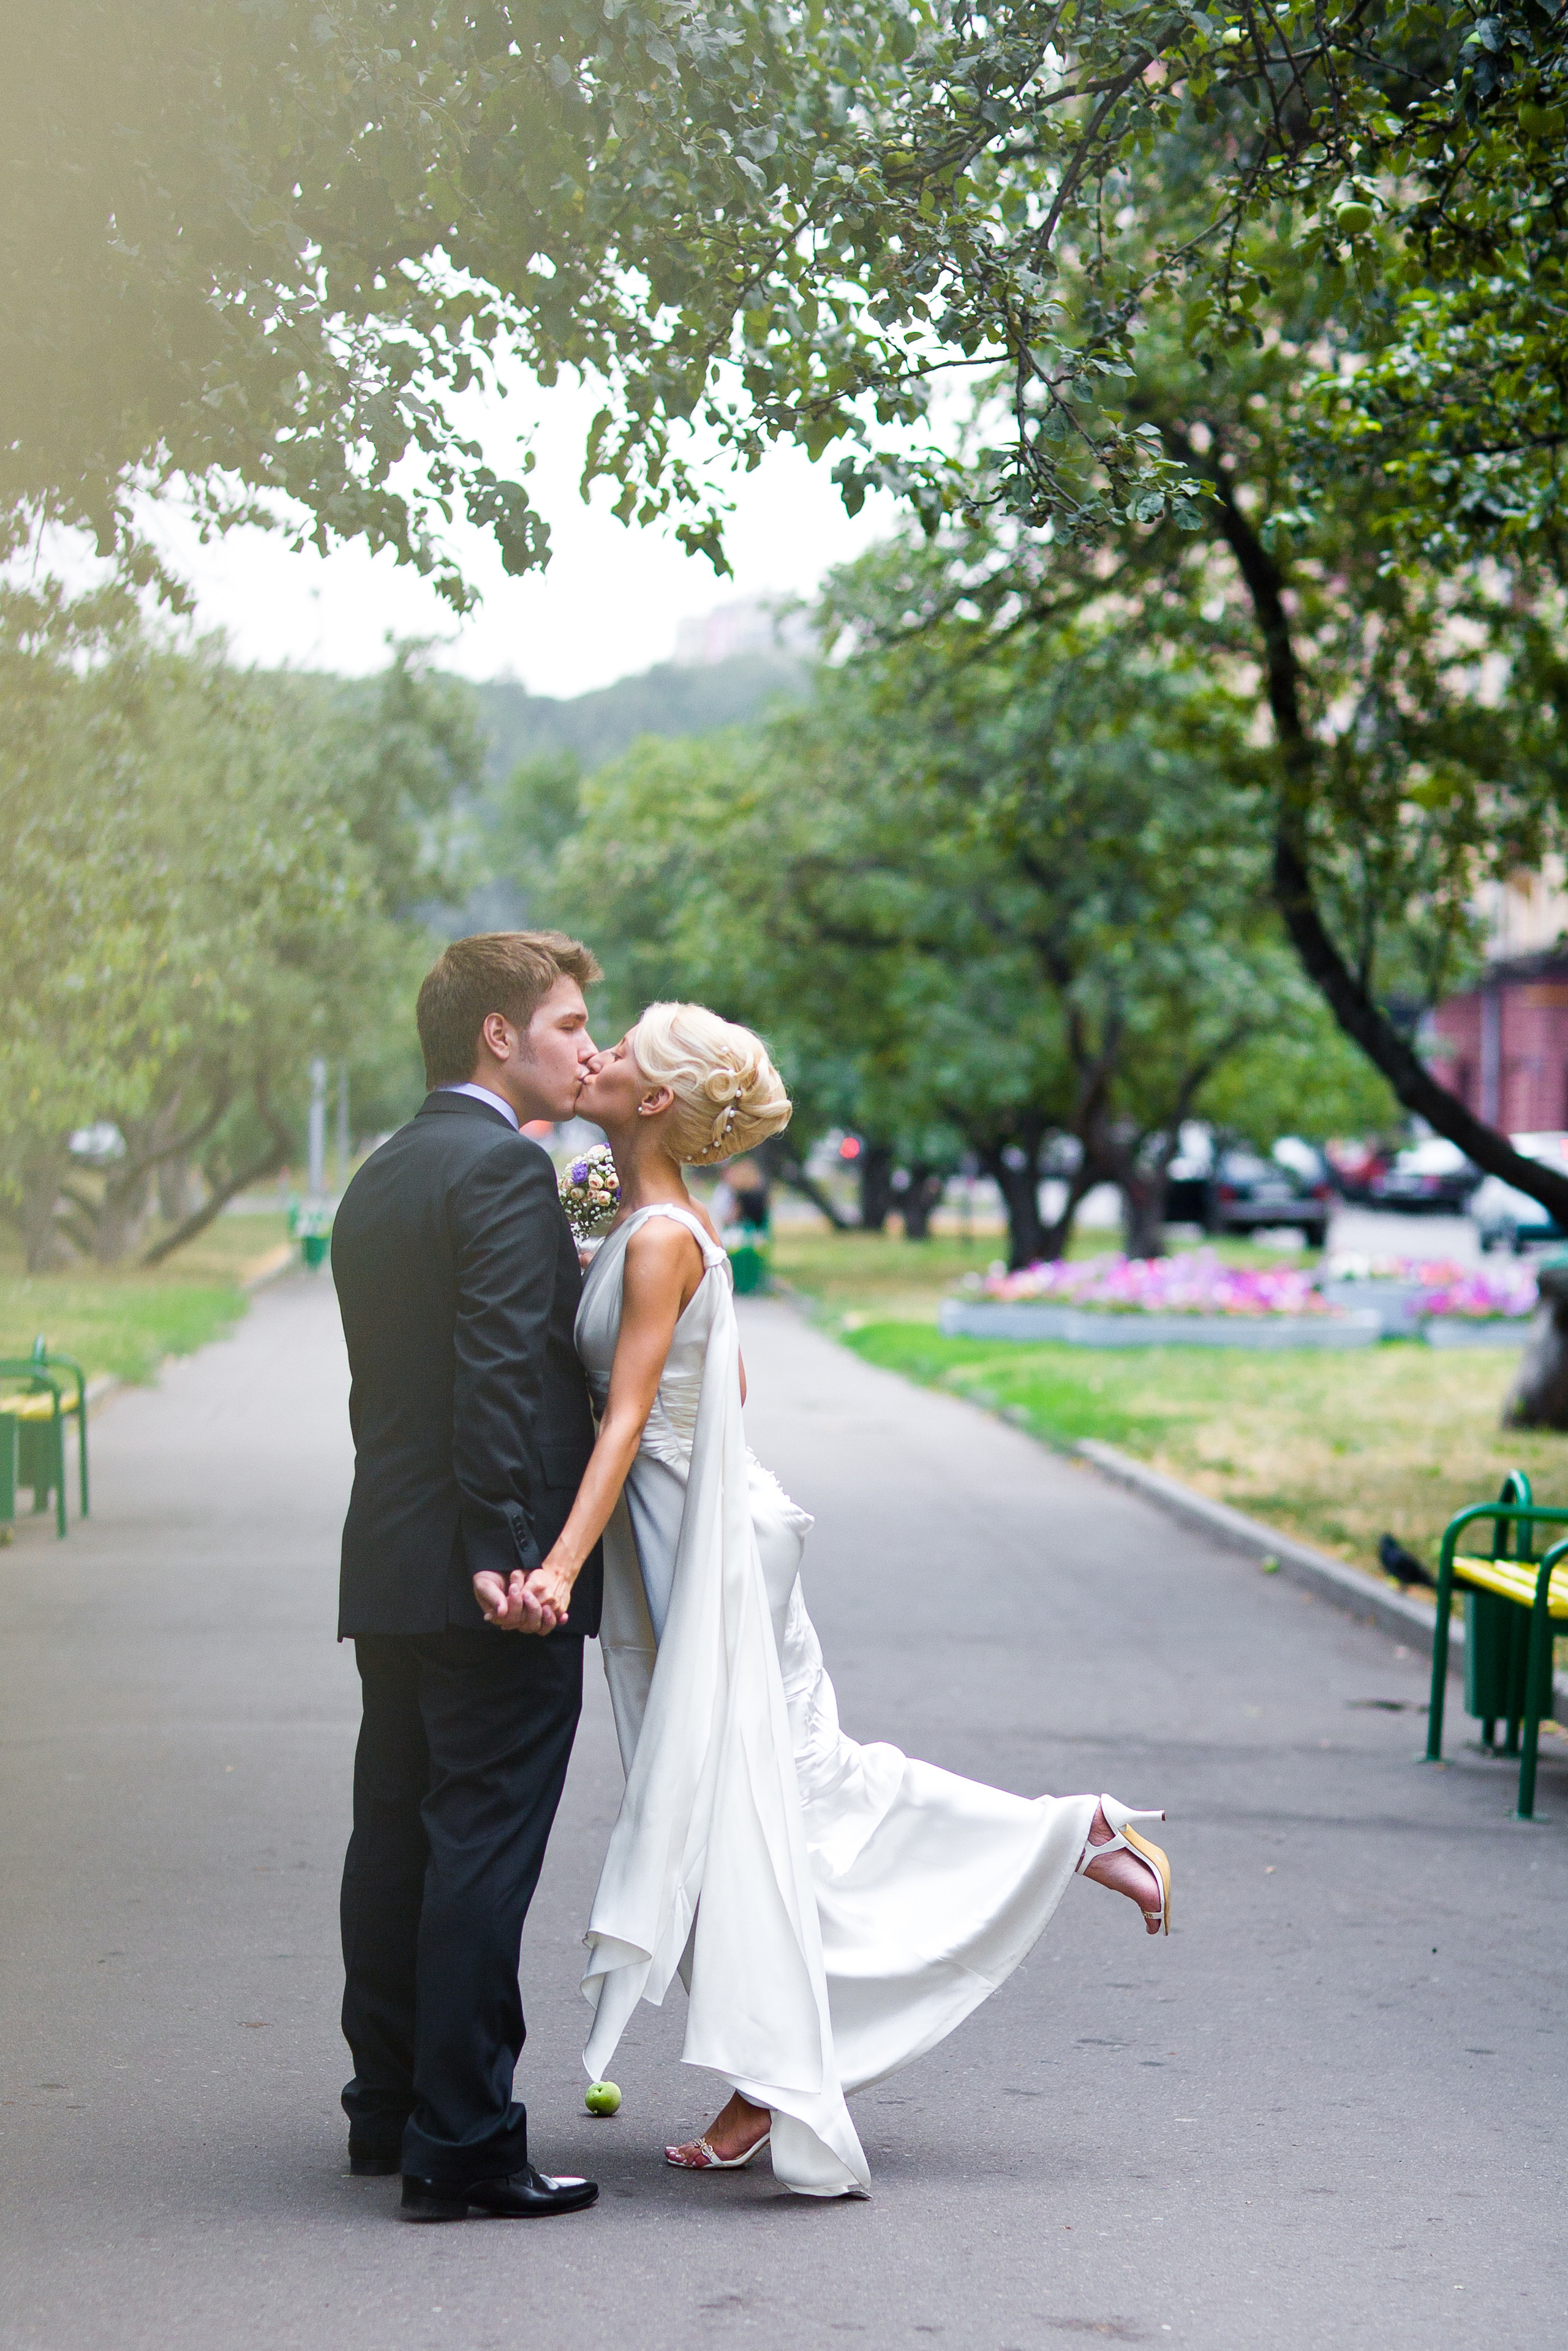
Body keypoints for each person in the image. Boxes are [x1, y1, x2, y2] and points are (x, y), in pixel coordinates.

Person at [477, 1001, 1173, 2201]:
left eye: (620, 1049)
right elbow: (726, 1379)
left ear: (655, 1101)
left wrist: (557, 1565)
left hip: (705, 1559)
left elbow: (631, 1420)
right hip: (700, 1536)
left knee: (729, 1816)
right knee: (795, 1800)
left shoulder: (659, 1238)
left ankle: (777, 2074)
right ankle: (1068, 1838)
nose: (595, 1054)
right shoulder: (654, 1224)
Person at [331, 931, 605, 2224]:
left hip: (392, 1558)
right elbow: (498, 1369)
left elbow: (393, 1383)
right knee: (480, 1847)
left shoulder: (384, 1170)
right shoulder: (501, 1168)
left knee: (396, 1835)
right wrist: (508, 1550)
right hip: (485, 1573)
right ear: (498, 1034)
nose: (585, 1048)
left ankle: (387, 2112)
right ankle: (466, 2143)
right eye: (568, 1024)